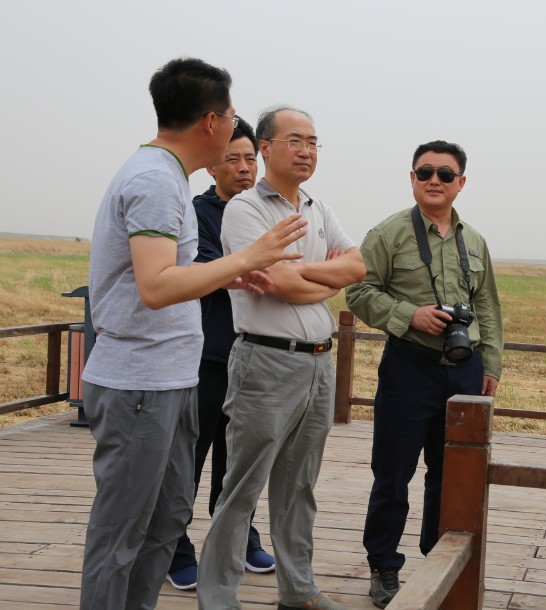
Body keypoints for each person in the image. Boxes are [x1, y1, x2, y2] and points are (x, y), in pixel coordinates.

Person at [80, 58, 305, 610]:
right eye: (230, 118)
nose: (234, 129)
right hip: (139, 384)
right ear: (210, 122)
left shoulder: (167, 176)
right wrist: (248, 257)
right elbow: (156, 286)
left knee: (165, 521)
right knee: (122, 531)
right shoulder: (155, 181)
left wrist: (232, 272)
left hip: (172, 378)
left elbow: (168, 277)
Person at [196, 105, 364, 610]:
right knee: (242, 487)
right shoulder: (245, 209)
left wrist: (305, 279)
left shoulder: (318, 207)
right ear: (265, 148)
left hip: (319, 362)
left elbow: (356, 266)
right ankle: (218, 597)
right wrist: (325, 281)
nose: (306, 151)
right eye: (295, 140)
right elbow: (275, 282)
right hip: (265, 361)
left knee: (299, 486)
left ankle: (298, 590)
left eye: (313, 142)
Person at [346, 140, 504, 608]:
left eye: (445, 174)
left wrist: (491, 364)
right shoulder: (388, 234)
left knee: (452, 473)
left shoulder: (474, 241)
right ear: (412, 178)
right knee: (392, 472)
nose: (435, 180)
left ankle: (440, 562)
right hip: (409, 366)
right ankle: (383, 566)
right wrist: (409, 315)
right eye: (425, 172)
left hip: (464, 369)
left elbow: (488, 307)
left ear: (461, 182)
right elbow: (358, 292)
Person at [166, 117, 276, 591]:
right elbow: (213, 272)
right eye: (233, 159)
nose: (244, 167)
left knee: (240, 461)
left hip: (255, 356)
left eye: (251, 158)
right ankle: (174, 547)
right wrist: (260, 269)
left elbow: (288, 268)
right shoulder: (197, 213)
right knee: (188, 458)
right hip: (207, 358)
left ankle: (238, 537)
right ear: (213, 166)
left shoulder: (270, 212)